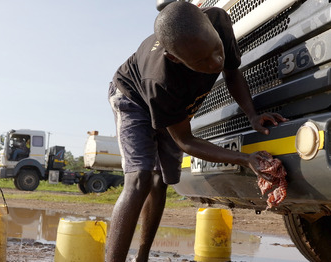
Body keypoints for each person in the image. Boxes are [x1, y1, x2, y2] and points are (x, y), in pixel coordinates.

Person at [106, 2, 287, 261]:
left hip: (170, 106)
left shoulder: (218, 20)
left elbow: (232, 70)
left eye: (216, 49)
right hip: (132, 97)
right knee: (140, 178)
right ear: (175, 58)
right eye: (201, 61)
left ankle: (142, 257)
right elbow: (186, 141)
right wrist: (244, 159)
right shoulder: (162, 82)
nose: (215, 62)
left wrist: (253, 115)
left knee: (160, 181)